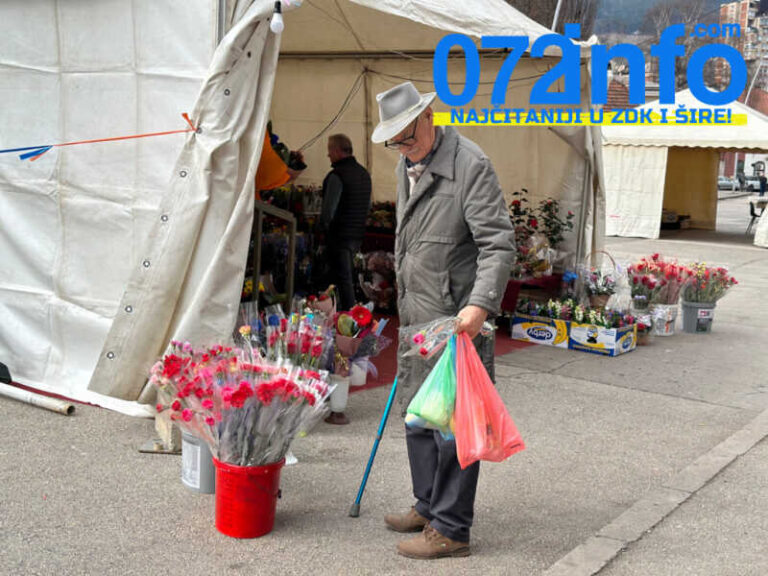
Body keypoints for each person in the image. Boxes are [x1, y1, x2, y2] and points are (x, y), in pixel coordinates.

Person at [371, 82, 515, 559]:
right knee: (418, 416)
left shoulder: (469, 165)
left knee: (454, 427)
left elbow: (498, 244)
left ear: (428, 115)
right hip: (418, 317)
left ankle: (451, 528)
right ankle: (428, 505)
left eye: (408, 136)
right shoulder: (405, 162)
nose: (403, 147)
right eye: (394, 141)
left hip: (457, 320)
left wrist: (479, 306)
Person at [319, 134, 372, 311]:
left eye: (329, 151)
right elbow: (367, 207)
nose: (328, 156)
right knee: (349, 276)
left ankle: (349, 320)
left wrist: (323, 230)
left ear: (337, 150)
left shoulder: (337, 176)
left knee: (342, 280)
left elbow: (328, 212)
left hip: (340, 236)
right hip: (357, 235)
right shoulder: (364, 174)